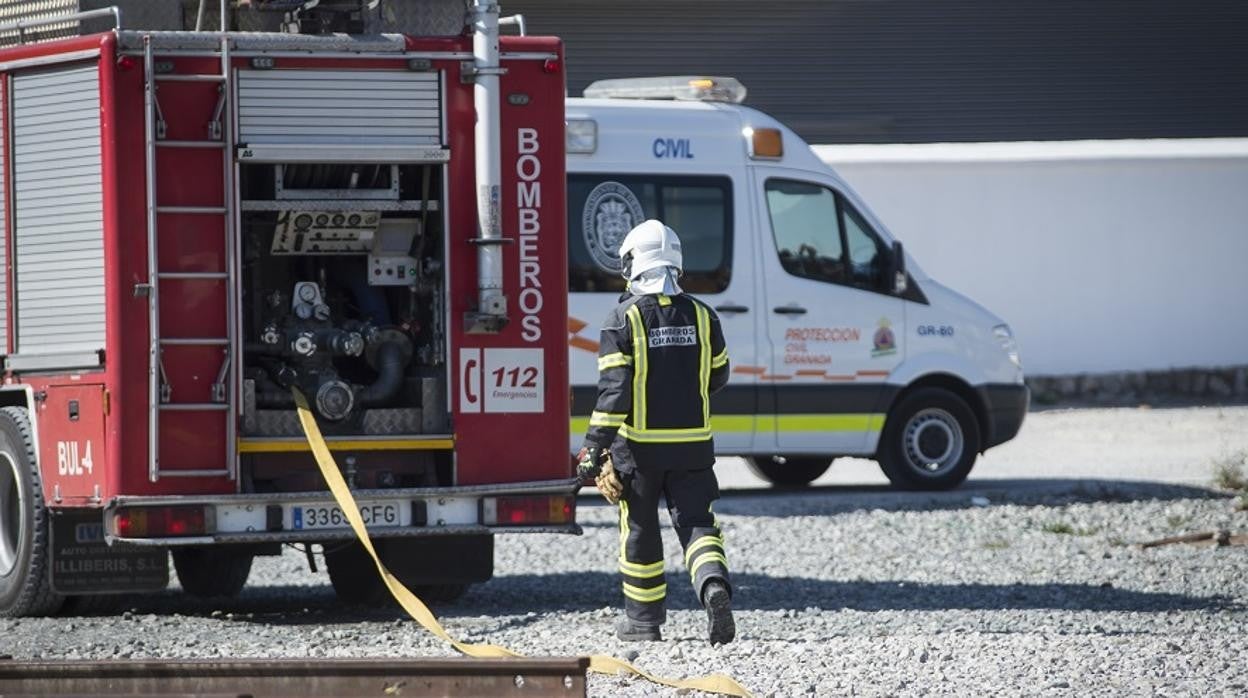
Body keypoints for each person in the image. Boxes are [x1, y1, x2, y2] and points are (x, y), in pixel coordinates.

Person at [576, 219, 735, 645]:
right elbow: (718, 376)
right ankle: (712, 584)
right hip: (694, 448)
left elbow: (614, 394)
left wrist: (592, 450)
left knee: (640, 529)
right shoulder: (704, 315)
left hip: (640, 453)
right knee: (698, 524)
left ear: (631, 264)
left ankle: (643, 622)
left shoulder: (621, 319)